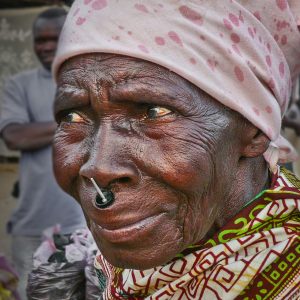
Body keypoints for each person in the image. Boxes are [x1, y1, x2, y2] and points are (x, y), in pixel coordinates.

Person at [52, 1, 300, 299]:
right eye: (73, 117)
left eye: (154, 112)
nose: (99, 168)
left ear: (254, 129)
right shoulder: (112, 272)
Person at [0, 7, 85, 300]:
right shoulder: (19, 85)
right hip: (33, 226)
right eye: (40, 39)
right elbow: (15, 136)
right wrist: (79, 119)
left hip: (86, 225)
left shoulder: (90, 80)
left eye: (54, 38)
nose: (46, 46)